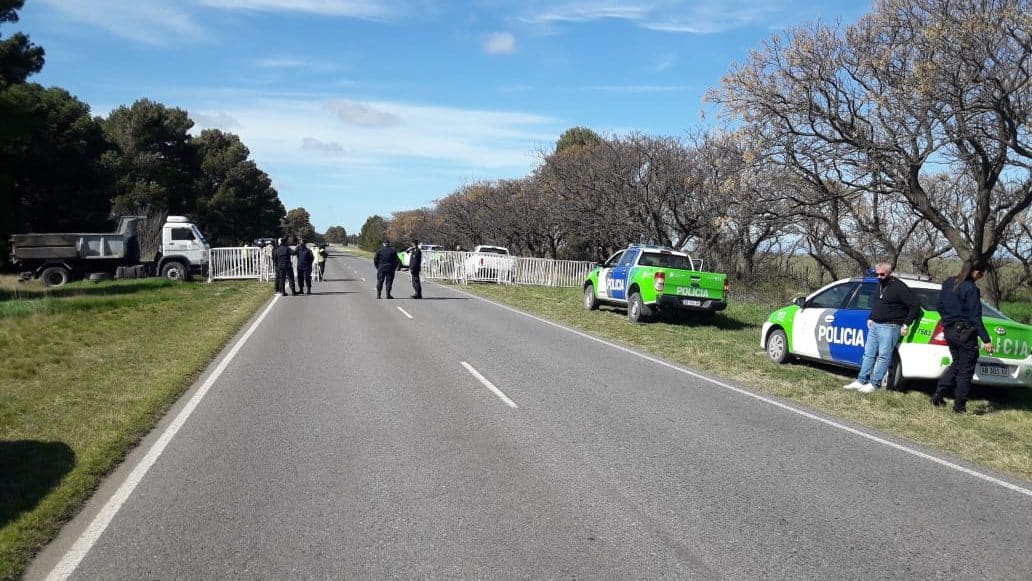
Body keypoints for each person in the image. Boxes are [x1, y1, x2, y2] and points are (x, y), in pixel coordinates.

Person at [844, 262, 922, 394]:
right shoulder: (880, 284)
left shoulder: (899, 287)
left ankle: (875, 383)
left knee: (883, 356)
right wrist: (871, 317)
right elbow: (878, 303)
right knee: (868, 354)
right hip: (875, 324)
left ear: (889, 273)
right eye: (877, 274)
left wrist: (906, 324)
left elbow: (915, 306)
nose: (879, 277)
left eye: (882, 274)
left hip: (890, 326)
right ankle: (861, 380)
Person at [931, 260, 994, 413]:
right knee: (965, 370)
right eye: (981, 273)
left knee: (957, 364)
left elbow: (939, 305)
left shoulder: (949, 282)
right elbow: (975, 317)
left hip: (949, 330)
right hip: (965, 333)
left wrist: (947, 320)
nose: (981, 276)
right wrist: (986, 340)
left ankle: (938, 395)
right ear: (976, 272)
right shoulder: (971, 288)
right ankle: (959, 407)